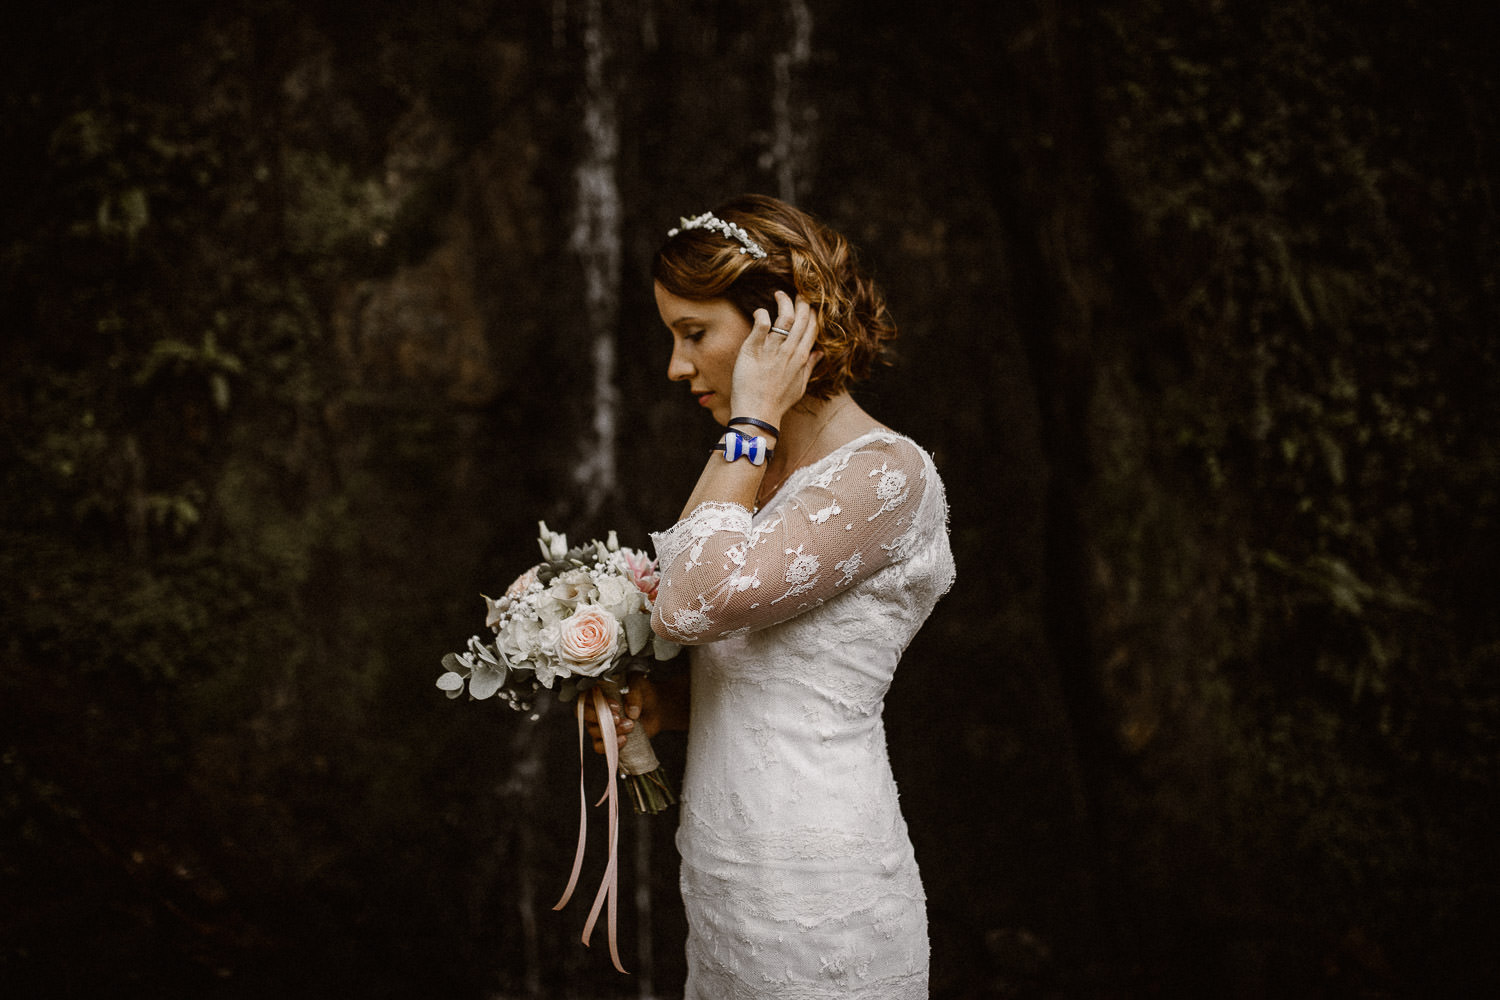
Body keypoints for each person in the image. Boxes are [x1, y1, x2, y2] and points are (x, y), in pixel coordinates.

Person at [590, 194, 954, 999]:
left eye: (694, 334)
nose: (676, 368)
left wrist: (752, 417)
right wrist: (663, 706)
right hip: (725, 880)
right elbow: (765, 679)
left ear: (777, 327)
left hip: (820, 889)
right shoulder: (754, 478)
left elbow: (684, 605)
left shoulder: (885, 476)